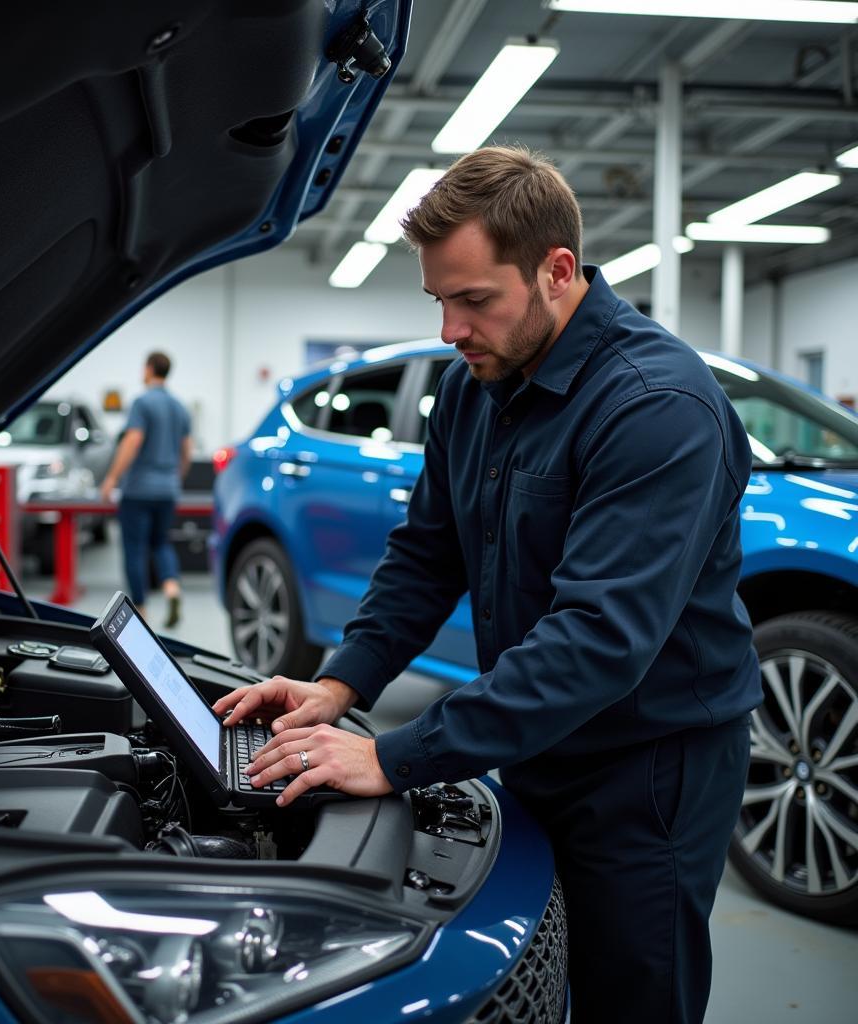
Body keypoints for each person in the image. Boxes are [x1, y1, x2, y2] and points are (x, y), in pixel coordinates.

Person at [214, 146, 762, 1023]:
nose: (450, 330)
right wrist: (339, 684)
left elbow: (598, 641)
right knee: (541, 978)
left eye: (474, 300)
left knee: (633, 995)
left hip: (649, 767)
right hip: (536, 739)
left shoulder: (656, 407)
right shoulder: (476, 387)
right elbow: (428, 554)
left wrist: (391, 755)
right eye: (439, 300)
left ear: (557, 271)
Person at [101, 351, 192, 627]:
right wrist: (176, 478)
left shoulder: (142, 402)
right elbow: (187, 450)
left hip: (139, 489)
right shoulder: (179, 406)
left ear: (150, 369)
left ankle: (140, 609)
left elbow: (132, 441)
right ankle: (171, 587)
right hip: (167, 488)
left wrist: (112, 478)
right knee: (161, 542)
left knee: (134, 548)